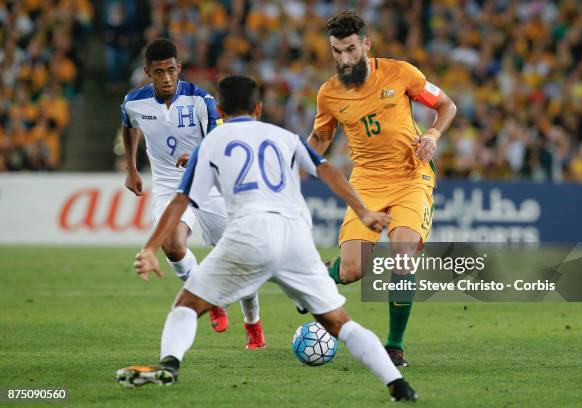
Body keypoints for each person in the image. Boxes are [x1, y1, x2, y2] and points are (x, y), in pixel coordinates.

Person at [115, 75, 418, 401]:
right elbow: (327, 170)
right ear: (258, 107)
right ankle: (398, 385)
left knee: (187, 305)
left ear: (218, 108)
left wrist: (149, 248)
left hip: (249, 235)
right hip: (295, 239)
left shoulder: (211, 143)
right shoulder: (284, 135)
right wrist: (363, 211)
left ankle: (170, 365)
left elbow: (180, 202)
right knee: (339, 323)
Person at [308, 11, 457, 367]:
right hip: (366, 183)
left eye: (350, 49)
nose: (344, 59)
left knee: (403, 254)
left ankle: (394, 346)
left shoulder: (401, 72)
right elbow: (320, 138)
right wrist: (289, 163)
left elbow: (446, 105)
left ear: (366, 44)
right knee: (351, 271)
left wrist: (433, 134)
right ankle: (316, 280)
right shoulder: (329, 94)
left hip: (411, 177)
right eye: (336, 51)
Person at [120, 38, 265, 348]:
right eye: (159, 72)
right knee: (172, 245)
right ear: (148, 72)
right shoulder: (134, 102)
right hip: (170, 185)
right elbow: (128, 124)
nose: (167, 78)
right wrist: (132, 167)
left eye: (171, 71)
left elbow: (219, 136)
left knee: (240, 256)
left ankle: (253, 325)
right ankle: (212, 300)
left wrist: (199, 153)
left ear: (179, 68)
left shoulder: (201, 100)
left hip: (211, 183)